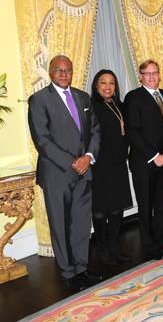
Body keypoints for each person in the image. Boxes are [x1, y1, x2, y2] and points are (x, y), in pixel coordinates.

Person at [28, 55, 101, 291]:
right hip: (57, 173)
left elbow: (95, 131)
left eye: (68, 70)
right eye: (59, 70)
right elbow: (43, 140)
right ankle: (68, 273)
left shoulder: (83, 97)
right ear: (50, 72)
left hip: (84, 171)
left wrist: (88, 157)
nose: (64, 74)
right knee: (60, 225)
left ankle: (81, 268)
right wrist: (73, 162)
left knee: (81, 223)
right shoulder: (39, 100)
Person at [125, 59, 163, 261]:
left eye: (155, 73)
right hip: (145, 162)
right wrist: (154, 156)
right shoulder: (133, 97)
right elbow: (133, 131)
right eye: (147, 74)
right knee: (146, 205)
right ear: (140, 76)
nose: (152, 77)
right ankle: (149, 246)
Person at [90, 69, 132, 266]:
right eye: (103, 83)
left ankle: (114, 246)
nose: (108, 87)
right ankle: (101, 247)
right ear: (96, 87)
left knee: (116, 210)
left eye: (112, 83)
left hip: (118, 164)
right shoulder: (91, 107)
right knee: (100, 211)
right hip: (99, 165)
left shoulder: (121, 106)